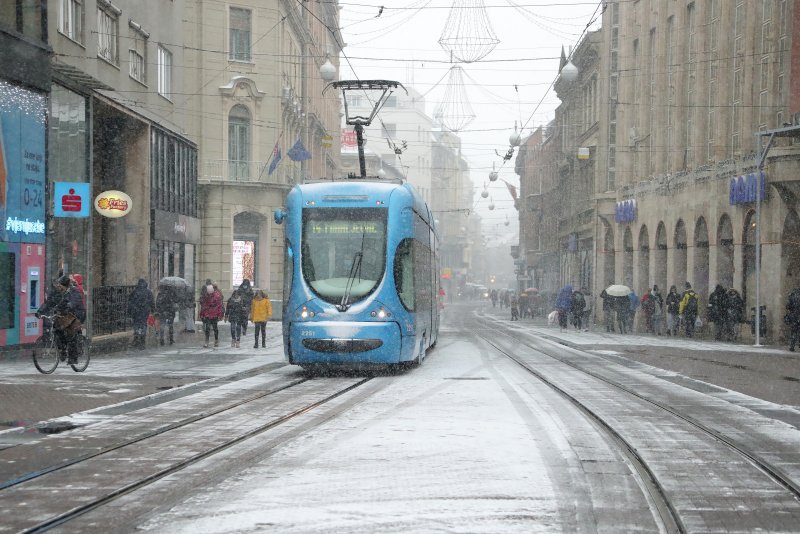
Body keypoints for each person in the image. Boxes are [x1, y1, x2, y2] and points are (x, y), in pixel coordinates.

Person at [36, 275, 85, 364]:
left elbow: (74, 301)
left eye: (60, 284)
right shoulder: (56, 292)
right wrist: (40, 312)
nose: (58, 286)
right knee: (57, 330)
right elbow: (48, 303)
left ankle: (73, 357)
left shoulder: (74, 291)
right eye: (58, 284)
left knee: (71, 332)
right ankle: (62, 350)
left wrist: (69, 306)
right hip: (63, 314)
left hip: (77, 314)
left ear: (65, 285)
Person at [127, 278, 154, 350]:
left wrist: (129, 311)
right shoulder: (148, 292)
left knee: (136, 324)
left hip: (136, 312)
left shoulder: (134, 292)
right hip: (145, 312)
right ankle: (142, 340)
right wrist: (153, 310)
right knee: (143, 324)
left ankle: (136, 338)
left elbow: (130, 302)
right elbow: (151, 302)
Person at [199, 280, 224, 348]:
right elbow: (204, 306)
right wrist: (202, 314)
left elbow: (219, 306)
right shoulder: (205, 296)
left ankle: (216, 340)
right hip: (208, 314)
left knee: (215, 328)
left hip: (214, 314)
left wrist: (220, 315)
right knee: (207, 328)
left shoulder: (217, 296)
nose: (209, 294)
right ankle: (206, 341)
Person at [785, 287, 800, 351]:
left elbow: (787, 306)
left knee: (794, 331)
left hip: (794, 316)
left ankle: (792, 346)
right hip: (797, 315)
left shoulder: (792, 295)